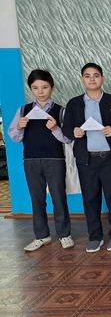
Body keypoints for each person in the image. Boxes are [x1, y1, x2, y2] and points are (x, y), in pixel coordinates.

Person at [62, 63, 111, 253]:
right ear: (82, 79)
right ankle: (95, 237)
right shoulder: (74, 104)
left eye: (96, 75)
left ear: (102, 78)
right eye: (88, 76)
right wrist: (74, 132)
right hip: (86, 160)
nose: (92, 79)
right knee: (90, 199)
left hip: (110, 158)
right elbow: (67, 129)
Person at [8, 69, 73, 251]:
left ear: (52, 88)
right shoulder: (23, 111)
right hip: (31, 160)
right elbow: (14, 137)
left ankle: (64, 234)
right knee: (37, 199)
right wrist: (20, 127)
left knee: (59, 198)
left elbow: (68, 139)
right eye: (35, 88)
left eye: (44, 87)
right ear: (30, 89)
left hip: (55, 159)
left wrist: (55, 128)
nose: (40, 91)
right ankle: (42, 236)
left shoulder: (60, 111)